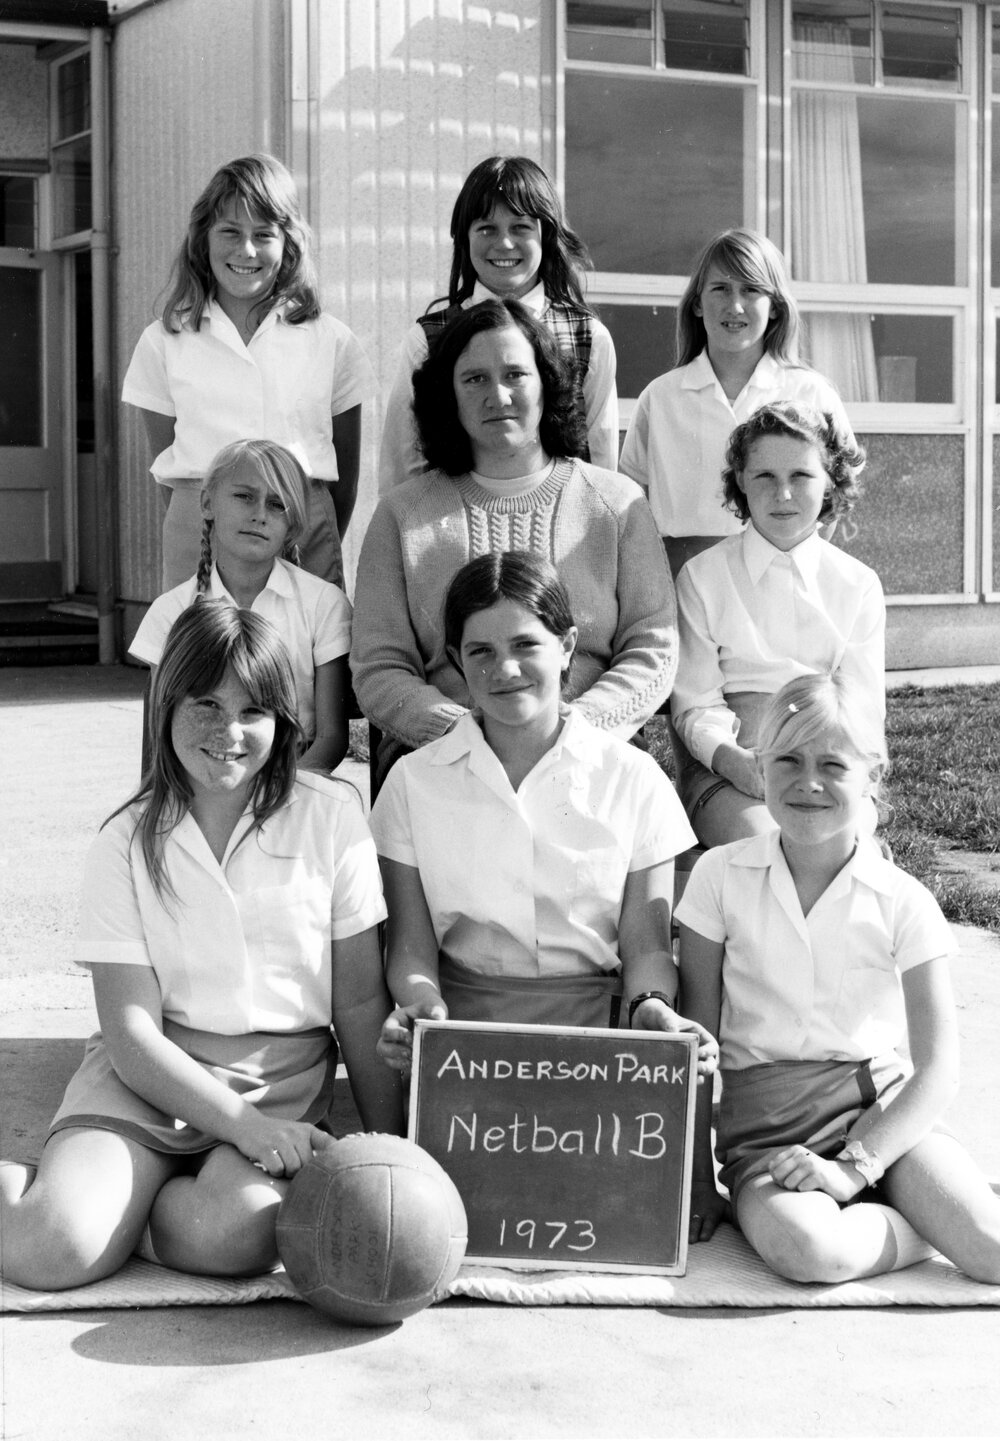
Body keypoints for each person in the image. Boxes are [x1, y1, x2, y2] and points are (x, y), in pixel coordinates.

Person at [0, 602, 402, 1291]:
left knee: (240, 1233)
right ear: (166, 704)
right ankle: (65, 1200)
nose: (229, 731)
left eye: (253, 710)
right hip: (148, 1076)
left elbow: (361, 1003)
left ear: (283, 720)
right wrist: (242, 1128)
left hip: (278, 1082)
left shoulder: (332, 817)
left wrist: (389, 1150)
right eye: (206, 704)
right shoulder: (125, 840)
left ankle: (125, 1214)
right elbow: (131, 1033)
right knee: (50, 1249)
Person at [676, 673, 1000, 1285]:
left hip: (881, 1119)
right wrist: (695, 1180)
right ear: (759, 767)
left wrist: (855, 1168)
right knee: (808, 1251)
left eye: (832, 764)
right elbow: (694, 1051)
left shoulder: (902, 899)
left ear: (872, 776)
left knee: (991, 1251)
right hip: (767, 1135)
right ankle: (922, 1223)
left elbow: (938, 1070)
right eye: (788, 761)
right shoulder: (718, 877)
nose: (809, 782)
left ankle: (923, 1206)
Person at [373, 551, 716, 1074]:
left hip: (601, 1044)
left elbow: (646, 946)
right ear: (456, 658)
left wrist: (651, 1004)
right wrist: (422, 1004)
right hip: (461, 1045)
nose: (505, 669)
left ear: (567, 646)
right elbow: (410, 947)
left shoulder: (632, 777)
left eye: (525, 644)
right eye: (481, 650)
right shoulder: (412, 782)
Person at [351, 299, 676, 782]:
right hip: (442, 761)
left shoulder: (616, 504)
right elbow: (379, 666)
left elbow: (653, 647)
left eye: (515, 375)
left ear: (547, 383)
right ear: (448, 394)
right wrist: (464, 734)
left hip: (592, 758)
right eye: (474, 379)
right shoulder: (400, 515)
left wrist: (574, 731)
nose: (497, 395)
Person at [122, 153, 376, 590]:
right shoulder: (163, 341)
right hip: (201, 534)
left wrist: (301, 526)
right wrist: (215, 516)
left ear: (288, 243)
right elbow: (169, 470)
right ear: (203, 238)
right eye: (230, 232)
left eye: (263, 234)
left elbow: (344, 479)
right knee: (202, 638)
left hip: (301, 531)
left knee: (306, 637)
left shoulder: (332, 341)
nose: (247, 250)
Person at [670, 402, 884, 849]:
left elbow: (862, 709)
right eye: (765, 476)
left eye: (801, 476)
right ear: (741, 481)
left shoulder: (857, 585)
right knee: (774, 848)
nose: (783, 494)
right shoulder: (703, 577)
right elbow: (695, 704)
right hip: (729, 765)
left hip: (827, 758)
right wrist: (734, 761)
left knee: (841, 847)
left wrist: (837, 773)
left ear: (830, 481)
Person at [619, 227, 854, 577]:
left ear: (775, 307)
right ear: (697, 303)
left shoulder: (811, 394)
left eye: (750, 289)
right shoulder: (661, 398)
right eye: (720, 289)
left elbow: (833, 504)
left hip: (778, 581)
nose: (735, 306)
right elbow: (631, 502)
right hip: (681, 582)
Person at [378, 154, 618, 491]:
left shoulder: (588, 337)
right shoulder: (427, 338)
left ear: (546, 235)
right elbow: (402, 469)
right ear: (465, 238)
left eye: (520, 227)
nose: (504, 243)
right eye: (486, 228)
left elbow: (602, 462)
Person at [129, 439, 351, 774]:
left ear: (292, 525)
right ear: (207, 503)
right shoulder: (171, 611)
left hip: (296, 775)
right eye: (244, 496)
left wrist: (284, 795)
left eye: (277, 505)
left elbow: (331, 738)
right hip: (203, 777)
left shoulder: (323, 603)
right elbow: (160, 738)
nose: (259, 515)